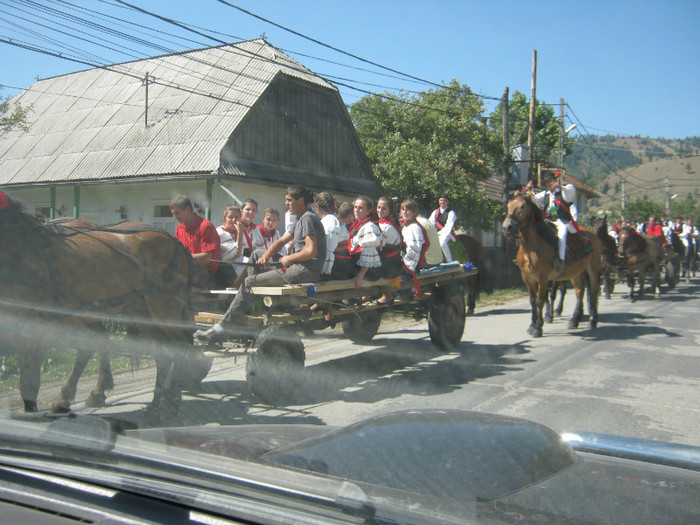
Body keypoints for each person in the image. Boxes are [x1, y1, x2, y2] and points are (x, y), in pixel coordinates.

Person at [195, 184, 326, 343]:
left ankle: (223, 328)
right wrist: (266, 257)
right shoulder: (301, 218)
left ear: (301, 200)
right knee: (257, 254)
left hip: (304, 270)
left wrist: (289, 259)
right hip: (297, 266)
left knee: (249, 282)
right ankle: (252, 308)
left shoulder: (308, 219)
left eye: (289, 200)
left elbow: (311, 251)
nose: (286, 203)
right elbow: (280, 242)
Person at [526, 171, 578, 273]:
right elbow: (534, 199)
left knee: (562, 236)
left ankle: (561, 259)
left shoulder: (563, 191)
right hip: (548, 220)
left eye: (551, 181)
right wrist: (529, 189)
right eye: (547, 182)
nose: (549, 184)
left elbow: (570, 193)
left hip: (561, 220)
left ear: (555, 180)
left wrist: (561, 187)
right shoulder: (546, 194)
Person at [170, 195, 220, 288]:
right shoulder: (180, 227)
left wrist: (183, 258)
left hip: (206, 273)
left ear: (188, 209)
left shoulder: (205, 226)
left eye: (177, 213)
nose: (174, 217)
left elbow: (206, 258)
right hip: (187, 268)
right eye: (173, 213)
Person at [349, 195, 383, 288]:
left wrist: (360, 277)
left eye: (361, 208)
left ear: (369, 211)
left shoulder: (369, 226)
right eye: (355, 207)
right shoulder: (359, 224)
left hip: (368, 272)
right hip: (361, 268)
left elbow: (370, 250)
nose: (356, 210)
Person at [375, 196, 402, 305]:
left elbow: (376, 245)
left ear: (389, 210)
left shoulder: (386, 227)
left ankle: (387, 295)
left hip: (390, 264)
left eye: (383, 209)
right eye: (378, 207)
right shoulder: (384, 223)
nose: (380, 211)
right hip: (390, 261)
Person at [315, 192, 348, 280]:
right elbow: (345, 237)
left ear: (318, 206)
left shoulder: (325, 221)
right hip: (336, 260)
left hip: (326, 262)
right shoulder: (337, 220)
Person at [215, 204, 244, 288]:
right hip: (223, 266)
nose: (233, 220)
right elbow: (233, 254)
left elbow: (239, 254)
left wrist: (240, 233)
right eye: (230, 217)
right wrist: (240, 234)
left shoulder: (238, 232)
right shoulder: (220, 233)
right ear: (224, 219)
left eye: (236, 217)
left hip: (234, 264)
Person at [330, 201, 356, 280]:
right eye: (353, 215)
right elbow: (332, 248)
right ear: (349, 215)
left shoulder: (341, 223)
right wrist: (348, 246)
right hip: (338, 263)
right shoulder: (337, 226)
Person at [400, 199, 426, 274]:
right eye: (403, 209)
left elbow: (415, 249)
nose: (404, 212)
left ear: (414, 212)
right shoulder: (407, 226)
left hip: (411, 265)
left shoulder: (414, 228)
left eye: (408, 210)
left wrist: (408, 266)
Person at [429, 193, 457, 262]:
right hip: (436, 233)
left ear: (447, 202)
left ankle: (449, 260)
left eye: (444, 201)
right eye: (441, 200)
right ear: (439, 201)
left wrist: (440, 233)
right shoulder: (435, 212)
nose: (442, 202)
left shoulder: (451, 212)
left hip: (447, 233)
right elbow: (430, 223)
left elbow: (449, 226)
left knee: (442, 243)